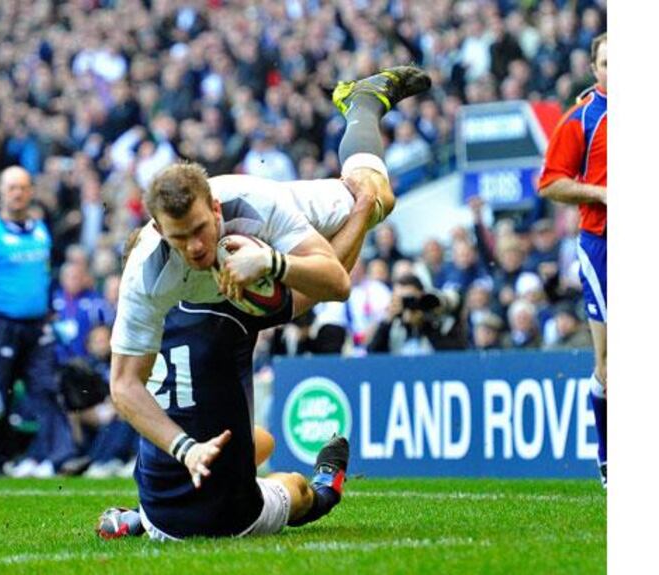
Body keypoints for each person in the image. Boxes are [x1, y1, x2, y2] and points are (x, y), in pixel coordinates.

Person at [109, 67, 430, 488]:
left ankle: (362, 102)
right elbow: (123, 385)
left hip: (273, 231)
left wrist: (272, 263)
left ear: (217, 210)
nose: (195, 248)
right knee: (265, 319)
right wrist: (185, 449)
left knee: (378, 197)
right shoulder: (145, 275)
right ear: (158, 230)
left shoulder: (258, 203)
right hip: (216, 293)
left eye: (200, 230)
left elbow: (336, 284)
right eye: (179, 238)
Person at [98, 228, 354, 540]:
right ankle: (326, 488)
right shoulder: (224, 309)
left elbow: (123, 391)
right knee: (296, 486)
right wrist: (362, 216)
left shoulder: (130, 328)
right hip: (230, 517)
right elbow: (326, 284)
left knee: (260, 441)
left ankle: (138, 519)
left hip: (159, 510)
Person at [0, 165, 75, 478]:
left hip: (37, 327)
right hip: (2, 326)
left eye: (23, 187)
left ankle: (63, 457)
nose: (18, 193)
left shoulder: (40, 231)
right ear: (2, 192)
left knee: (47, 389)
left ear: (31, 191)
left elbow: (44, 276)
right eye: (12, 188)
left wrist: (53, 314)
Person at [538, 32, 607, 487]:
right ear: (595, 69)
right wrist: (599, 192)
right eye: (608, 62)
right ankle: (608, 457)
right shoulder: (582, 119)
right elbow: (549, 183)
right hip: (604, 243)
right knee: (611, 364)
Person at [367, 273, 467, 356]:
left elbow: (456, 353)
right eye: (402, 300)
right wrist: (387, 321)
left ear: (421, 296)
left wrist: (424, 324)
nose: (407, 305)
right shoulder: (393, 324)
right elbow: (372, 354)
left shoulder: (439, 320)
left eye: (410, 299)